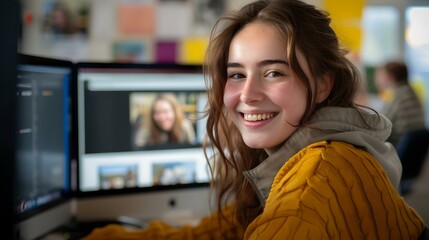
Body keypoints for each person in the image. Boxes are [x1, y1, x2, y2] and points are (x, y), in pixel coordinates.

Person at [84, 0, 426, 239]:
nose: (247, 94)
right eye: (236, 75)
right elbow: (215, 233)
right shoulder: (308, 156)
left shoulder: (315, 180)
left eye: (274, 72)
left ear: (323, 85)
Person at [374, 61, 426, 147]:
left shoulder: (398, 96)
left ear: (390, 77)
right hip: (410, 149)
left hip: (396, 147)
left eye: (380, 75)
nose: (376, 79)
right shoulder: (410, 92)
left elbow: (379, 126)